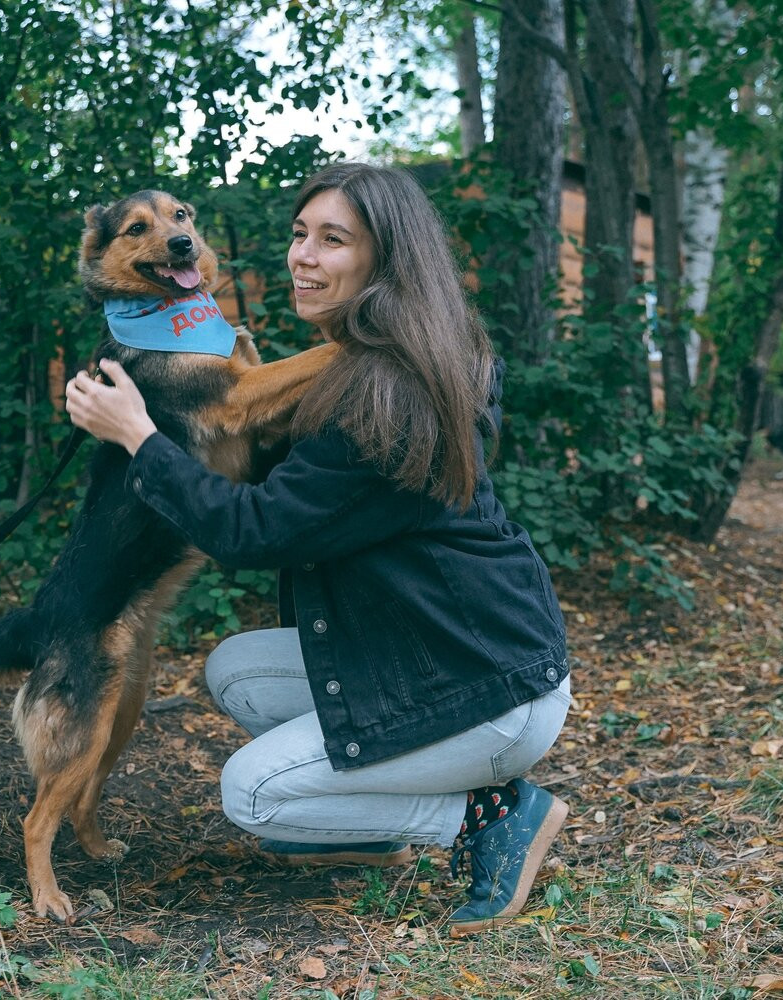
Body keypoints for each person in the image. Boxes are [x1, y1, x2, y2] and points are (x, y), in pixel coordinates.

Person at [64, 162, 572, 937]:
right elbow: (286, 480)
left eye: (333, 240)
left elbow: (255, 530)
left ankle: (487, 815)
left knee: (255, 796)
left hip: (486, 684)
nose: (303, 255)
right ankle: (365, 821)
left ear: (386, 261)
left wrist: (139, 436)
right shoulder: (367, 362)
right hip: (436, 644)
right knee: (235, 669)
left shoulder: (386, 392)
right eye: (301, 234)